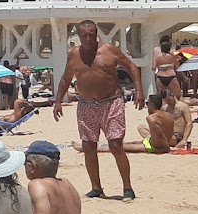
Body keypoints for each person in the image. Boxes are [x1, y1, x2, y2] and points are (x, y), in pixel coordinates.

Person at [52, 19, 145, 200]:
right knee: (88, 146)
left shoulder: (109, 50)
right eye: (84, 35)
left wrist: (139, 91)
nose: (88, 38)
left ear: (96, 34)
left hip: (111, 101)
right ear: (79, 36)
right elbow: (65, 78)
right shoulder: (74, 55)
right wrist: (58, 102)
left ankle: (127, 188)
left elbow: (132, 66)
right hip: (86, 104)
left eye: (91, 34)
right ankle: (96, 188)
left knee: (116, 144)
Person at [152, 36, 181, 101]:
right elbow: (177, 66)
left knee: (162, 97)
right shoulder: (171, 56)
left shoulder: (157, 57)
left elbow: (153, 68)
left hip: (160, 77)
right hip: (171, 76)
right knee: (178, 96)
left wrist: (161, 66)